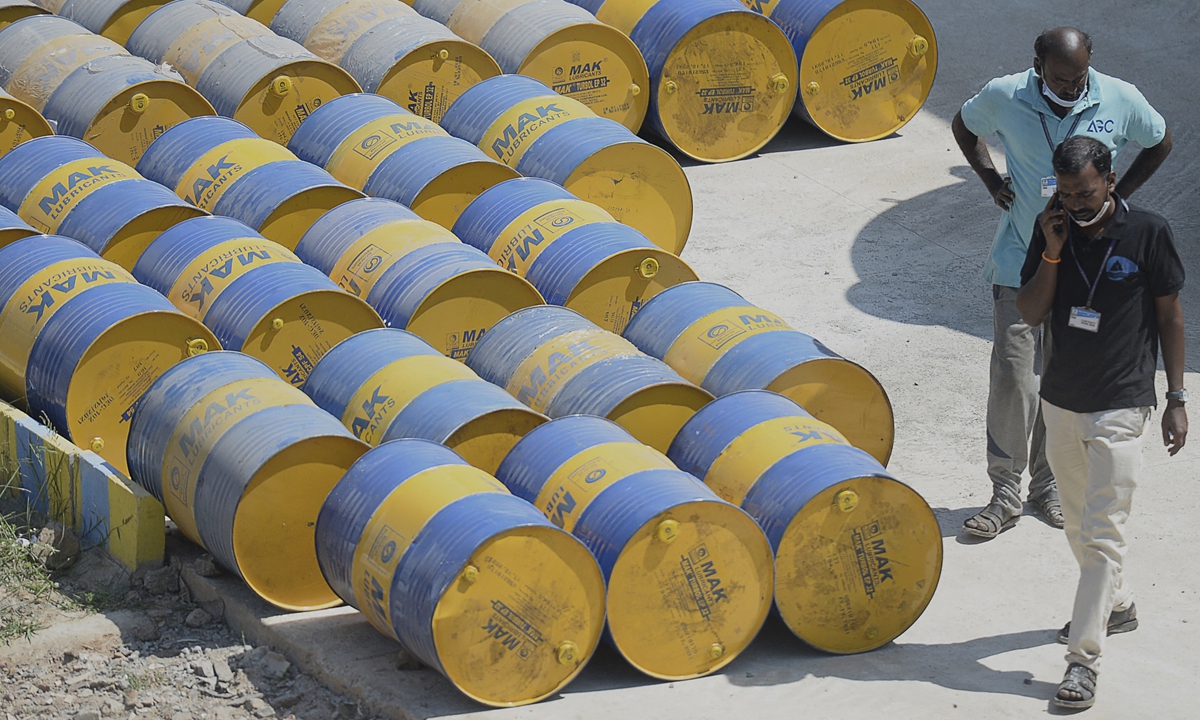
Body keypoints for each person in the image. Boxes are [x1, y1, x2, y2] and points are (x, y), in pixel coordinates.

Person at [951, 27, 1173, 539]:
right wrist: (990, 180)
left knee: (1060, 377)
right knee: (1014, 375)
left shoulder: (1119, 96)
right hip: (1019, 262)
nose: (1071, 88)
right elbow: (965, 126)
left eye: (1079, 79)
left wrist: (1121, 196)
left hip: (1085, 266)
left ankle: (1046, 488)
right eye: (1059, 79)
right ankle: (1004, 492)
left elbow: (1160, 140)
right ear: (1037, 66)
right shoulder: (1006, 94)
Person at [1015, 136, 1186, 709]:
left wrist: (1177, 396)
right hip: (1061, 400)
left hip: (1122, 401)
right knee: (1076, 528)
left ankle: (1082, 661)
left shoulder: (1149, 232)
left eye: (1085, 192)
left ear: (1110, 180)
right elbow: (1030, 312)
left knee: (1104, 529)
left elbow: (1170, 317)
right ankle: (1118, 604)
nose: (1076, 202)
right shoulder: (1053, 228)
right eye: (1065, 193)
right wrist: (1053, 249)